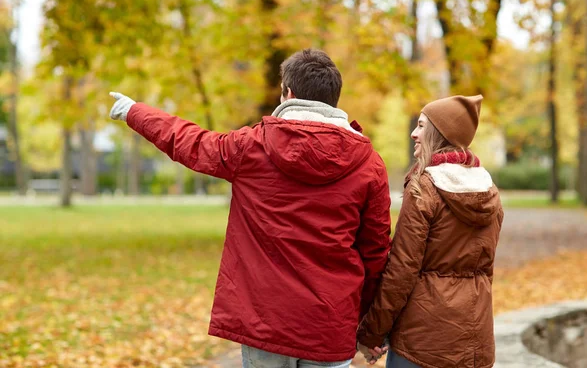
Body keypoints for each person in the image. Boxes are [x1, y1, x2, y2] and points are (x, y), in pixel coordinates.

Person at [108, 49, 392, 367]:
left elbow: (189, 141)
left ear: (288, 93)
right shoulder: (369, 163)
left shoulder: (251, 146)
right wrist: (369, 326)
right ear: (334, 100)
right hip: (329, 323)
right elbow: (376, 254)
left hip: (265, 319)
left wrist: (135, 111)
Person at [356, 95, 504, 368]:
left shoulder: (425, 187)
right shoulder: (489, 190)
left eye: (422, 126)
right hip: (475, 341)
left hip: (422, 343)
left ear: (439, 133)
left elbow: (401, 271)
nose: (414, 133)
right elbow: (486, 272)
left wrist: (372, 332)